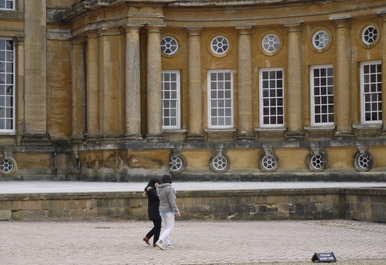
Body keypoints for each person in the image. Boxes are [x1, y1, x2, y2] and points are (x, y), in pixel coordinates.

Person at [155, 175, 181, 250]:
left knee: (166, 228)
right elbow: (172, 201)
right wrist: (177, 211)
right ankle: (160, 241)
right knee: (170, 227)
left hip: (161, 210)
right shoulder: (169, 188)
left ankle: (168, 244)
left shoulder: (158, 188)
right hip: (168, 211)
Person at [143, 178, 161, 247]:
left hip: (155, 210)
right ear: (154, 183)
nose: (158, 184)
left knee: (157, 226)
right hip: (154, 210)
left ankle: (147, 237)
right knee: (158, 226)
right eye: (157, 183)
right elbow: (157, 196)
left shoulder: (151, 190)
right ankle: (155, 242)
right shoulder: (151, 190)